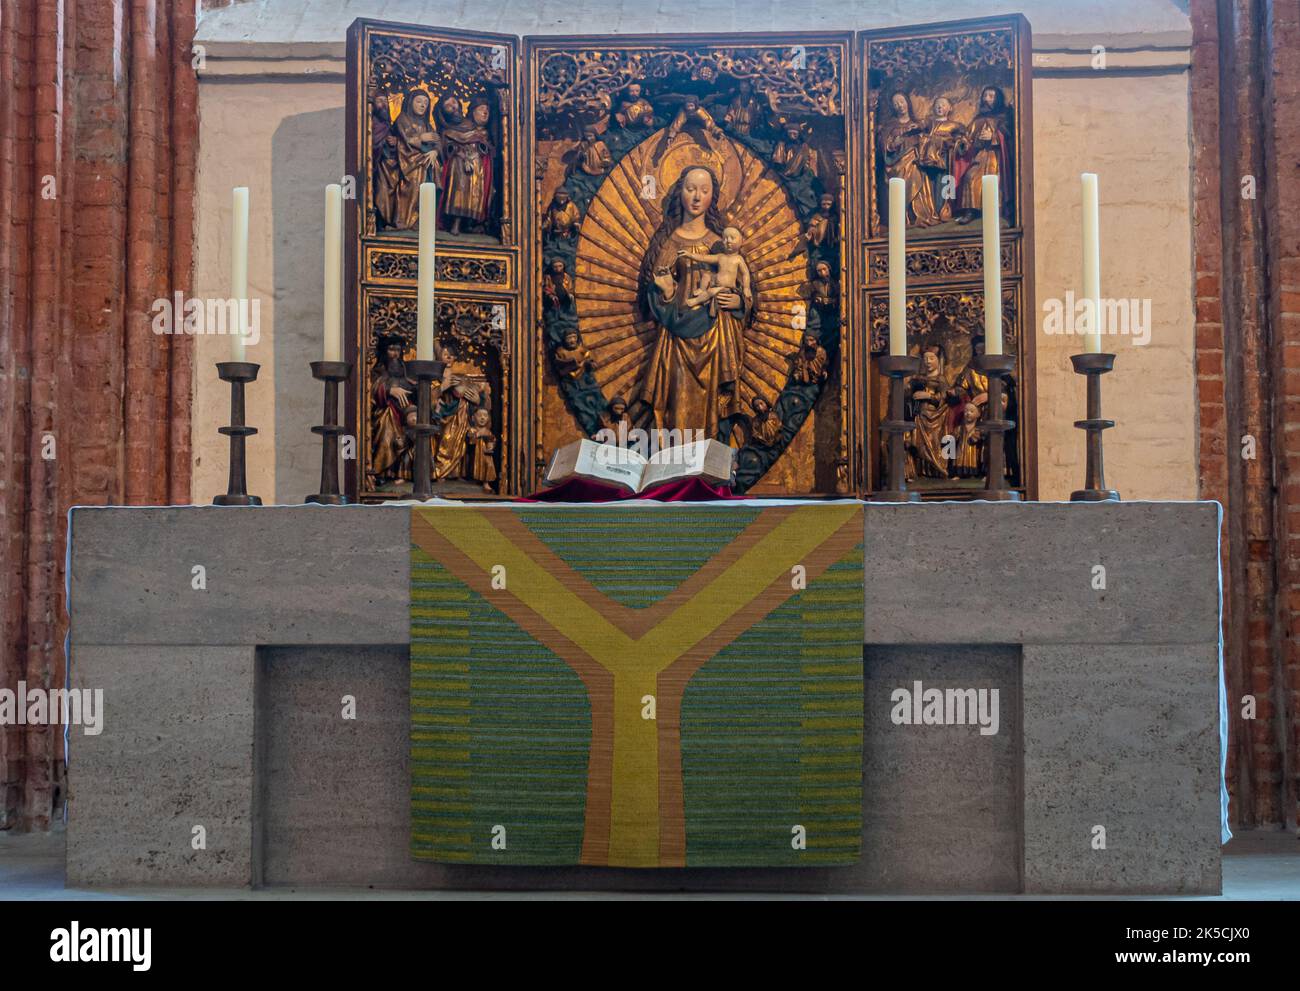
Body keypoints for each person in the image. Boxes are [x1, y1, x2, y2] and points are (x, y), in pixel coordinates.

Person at [637, 165, 750, 439]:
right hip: (677, 338)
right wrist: (665, 292)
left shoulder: (720, 245)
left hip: (716, 334)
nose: (697, 197)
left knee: (712, 400)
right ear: (680, 194)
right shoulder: (670, 242)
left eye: (704, 190)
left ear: (713, 196)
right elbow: (658, 290)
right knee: (677, 401)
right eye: (690, 189)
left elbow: (744, 291)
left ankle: (710, 460)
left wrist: (739, 302)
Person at [374, 89, 441, 231]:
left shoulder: (428, 124)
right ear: (410, 103)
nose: (423, 105)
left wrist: (435, 151)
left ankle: (420, 221)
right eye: (419, 101)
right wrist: (420, 139)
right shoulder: (403, 119)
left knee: (428, 186)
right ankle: (403, 221)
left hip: (426, 162)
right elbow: (403, 141)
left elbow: (437, 141)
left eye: (426, 103)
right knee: (411, 185)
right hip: (407, 163)